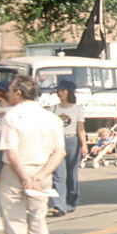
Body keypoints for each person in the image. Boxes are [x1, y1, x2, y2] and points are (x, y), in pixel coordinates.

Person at [0, 76, 65, 234]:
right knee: (37, 223)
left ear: (19, 94)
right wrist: (40, 177)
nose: (9, 94)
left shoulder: (11, 117)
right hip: (42, 171)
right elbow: (59, 151)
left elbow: (12, 154)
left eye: (11, 91)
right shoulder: (51, 118)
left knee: (15, 224)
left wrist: (25, 179)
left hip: (17, 173)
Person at [48, 79, 86, 216]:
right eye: (58, 90)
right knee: (59, 174)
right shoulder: (53, 109)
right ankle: (59, 205)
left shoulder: (77, 109)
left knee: (72, 174)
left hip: (72, 140)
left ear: (69, 92)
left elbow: (81, 129)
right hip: (58, 142)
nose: (60, 93)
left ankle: (71, 201)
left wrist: (84, 145)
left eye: (63, 90)